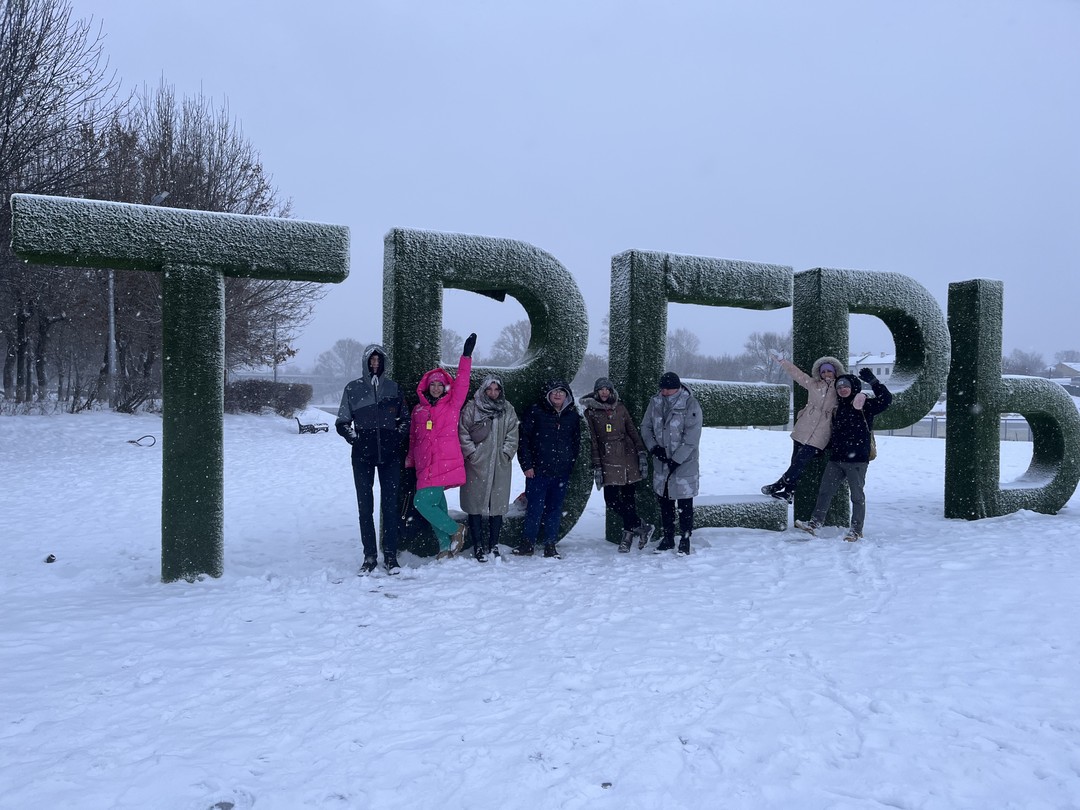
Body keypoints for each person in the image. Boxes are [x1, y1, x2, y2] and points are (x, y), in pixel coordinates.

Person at [335, 344, 409, 574]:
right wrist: (356, 439)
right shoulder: (353, 388)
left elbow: (405, 420)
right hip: (362, 457)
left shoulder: (393, 388)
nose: (375, 364)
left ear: (383, 363)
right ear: (366, 363)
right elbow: (342, 421)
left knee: (390, 506)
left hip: (391, 457)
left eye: (378, 360)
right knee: (365, 507)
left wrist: (395, 438)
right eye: (372, 360)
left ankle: (390, 556)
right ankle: (369, 556)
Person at [795, 368, 893, 541]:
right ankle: (815, 524)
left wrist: (874, 382)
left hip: (857, 461)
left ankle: (856, 530)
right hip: (836, 460)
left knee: (856, 496)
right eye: (839, 387)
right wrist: (823, 448)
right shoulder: (836, 407)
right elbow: (833, 432)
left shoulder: (865, 405)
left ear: (853, 387)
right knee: (825, 492)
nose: (842, 389)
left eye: (845, 386)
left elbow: (886, 400)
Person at [405, 333, 476, 560]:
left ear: (445, 387)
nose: (436, 388)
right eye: (433, 384)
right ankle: (445, 547)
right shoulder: (419, 410)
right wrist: (411, 459)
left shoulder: (452, 404)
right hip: (424, 465)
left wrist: (466, 357)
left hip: (444, 463)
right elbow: (414, 439)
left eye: (440, 384)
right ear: (427, 387)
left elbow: (463, 383)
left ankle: (457, 530)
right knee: (437, 507)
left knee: (421, 502)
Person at [760, 353, 847, 504]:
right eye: (823, 371)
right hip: (804, 427)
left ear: (835, 371)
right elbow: (796, 374)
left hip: (822, 432)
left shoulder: (840, 386)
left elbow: (852, 393)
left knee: (800, 461)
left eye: (829, 371)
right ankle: (788, 492)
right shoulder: (813, 384)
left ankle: (779, 484)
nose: (826, 374)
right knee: (795, 461)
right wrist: (782, 361)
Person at [581, 377, 654, 553]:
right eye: (601, 389)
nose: (604, 392)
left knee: (629, 500)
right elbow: (593, 441)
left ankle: (628, 536)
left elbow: (631, 429)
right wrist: (597, 464)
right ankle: (642, 526)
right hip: (608, 458)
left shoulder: (620, 407)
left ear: (611, 391)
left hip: (628, 456)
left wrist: (641, 451)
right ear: (596, 392)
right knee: (612, 500)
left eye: (607, 389)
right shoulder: (590, 412)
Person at [514, 379, 581, 559]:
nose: (558, 394)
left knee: (554, 509)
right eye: (554, 391)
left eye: (561, 391)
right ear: (548, 394)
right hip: (537, 472)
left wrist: (569, 463)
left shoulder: (572, 417)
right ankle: (527, 543)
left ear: (567, 395)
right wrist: (527, 465)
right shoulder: (536, 412)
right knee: (534, 508)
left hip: (560, 473)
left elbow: (575, 444)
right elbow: (524, 441)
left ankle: (550, 545)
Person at [458, 375, 520, 561]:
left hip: (500, 465)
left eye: (496, 389)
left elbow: (513, 433)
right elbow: (463, 431)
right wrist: (472, 454)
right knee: (474, 504)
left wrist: (506, 453)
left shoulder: (507, 408)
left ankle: (493, 545)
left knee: (497, 506)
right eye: (490, 389)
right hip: (476, 465)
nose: (493, 393)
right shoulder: (472, 407)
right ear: (484, 390)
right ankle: (478, 545)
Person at [641, 372, 702, 555]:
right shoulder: (655, 402)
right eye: (663, 388)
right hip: (661, 462)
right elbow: (646, 427)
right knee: (665, 502)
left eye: (669, 389)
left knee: (684, 503)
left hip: (684, 463)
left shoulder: (691, 404)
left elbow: (692, 437)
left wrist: (676, 459)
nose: (665, 392)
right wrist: (654, 448)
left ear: (677, 387)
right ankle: (668, 538)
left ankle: (685, 538)